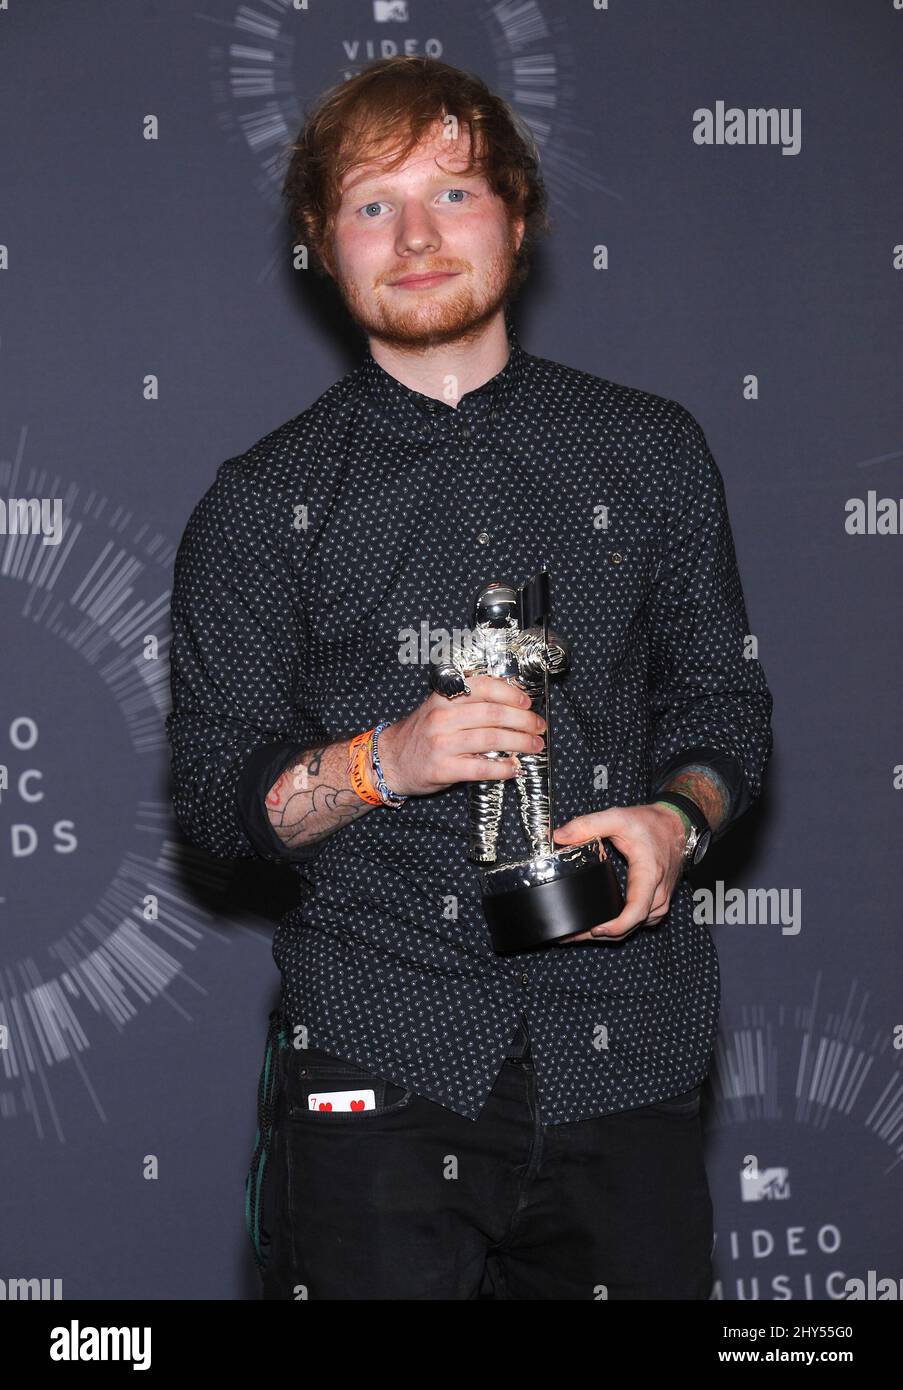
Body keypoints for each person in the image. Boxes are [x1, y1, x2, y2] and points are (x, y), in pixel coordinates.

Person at [165, 56, 773, 1300]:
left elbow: (725, 708)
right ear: (324, 247)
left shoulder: (652, 452)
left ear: (519, 215)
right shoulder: (259, 503)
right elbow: (219, 795)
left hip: (632, 1055)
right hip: (380, 1055)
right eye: (372, 204)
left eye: (453, 191)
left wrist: (677, 817)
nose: (419, 236)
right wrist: (386, 762)